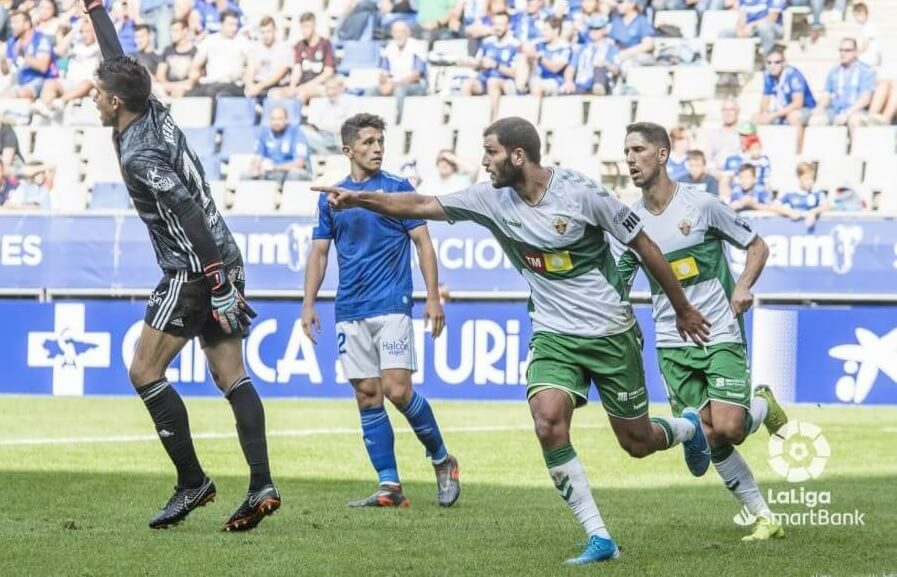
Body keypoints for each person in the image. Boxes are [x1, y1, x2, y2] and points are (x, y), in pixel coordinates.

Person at [314, 116, 713, 566]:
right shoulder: (491, 198)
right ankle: (599, 537)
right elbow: (421, 203)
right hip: (552, 333)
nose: (484, 162)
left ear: (517, 156)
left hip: (609, 333)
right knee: (546, 421)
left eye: (491, 152)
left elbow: (643, 244)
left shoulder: (580, 193)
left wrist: (682, 307)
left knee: (637, 442)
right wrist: (358, 199)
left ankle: (687, 428)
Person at [82, 0, 279, 531]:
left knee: (144, 370)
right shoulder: (149, 106)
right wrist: (97, 10)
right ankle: (261, 482)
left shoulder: (139, 153)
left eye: (99, 94)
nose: (93, 98)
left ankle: (192, 481)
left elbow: (187, 211)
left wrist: (213, 282)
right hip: (224, 253)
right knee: (231, 374)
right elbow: (118, 60)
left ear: (117, 101)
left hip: (194, 268)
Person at [615, 121, 788, 543]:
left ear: (661, 154)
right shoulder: (628, 221)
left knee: (729, 426)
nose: (631, 160)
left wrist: (744, 286)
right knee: (710, 436)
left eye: (638, 150)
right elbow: (618, 284)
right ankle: (765, 516)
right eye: (626, 154)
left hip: (719, 332)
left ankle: (761, 404)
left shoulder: (702, 205)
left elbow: (758, 245)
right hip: (672, 344)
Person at [302, 113, 461, 510]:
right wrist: (307, 304)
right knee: (367, 394)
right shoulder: (332, 197)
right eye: (369, 142)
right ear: (348, 149)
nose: (376, 148)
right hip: (349, 308)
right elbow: (319, 253)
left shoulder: (397, 189)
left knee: (397, 390)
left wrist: (433, 297)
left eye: (380, 142)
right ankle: (390, 486)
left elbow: (423, 243)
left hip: (391, 303)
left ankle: (442, 460)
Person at [810, 38, 876, 138]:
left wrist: (847, 113)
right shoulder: (834, 72)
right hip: (835, 110)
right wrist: (820, 108)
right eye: (841, 50)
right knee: (816, 120)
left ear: (856, 52)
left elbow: (865, 99)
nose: (843, 53)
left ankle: (856, 151)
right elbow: (826, 95)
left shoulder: (865, 71)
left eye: (847, 50)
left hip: (855, 110)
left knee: (855, 120)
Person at [462, 11, 521, 120]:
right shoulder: (487, 42)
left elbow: (515, 73)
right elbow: (477, 64)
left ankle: (492, 121)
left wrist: (496, 65)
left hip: (505, 82)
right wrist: (480, 63)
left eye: (501, 24)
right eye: (495, 24)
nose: (497, 28)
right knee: (467, 84)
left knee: (493, 82)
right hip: (484, 79)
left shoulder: (514, 45)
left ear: (508, 26)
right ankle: (467, 119)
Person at [755, 45, 815, 151]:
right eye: (769, 62)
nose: (772, 66)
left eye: (777, 62)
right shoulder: (768, 75)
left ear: (784, 62)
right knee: (756, 117)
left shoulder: (793, 75)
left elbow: (798, 103)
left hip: (805, 108)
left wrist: (773, 115)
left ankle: (798, 152)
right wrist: (764, 114)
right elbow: (765, 98)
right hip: (783, 109)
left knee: (793, 117)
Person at [371, 20, 427, 118]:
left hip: (415, 85)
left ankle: (398, 121)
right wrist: (384, 83)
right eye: (396, 32)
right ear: (392, 33)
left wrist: (394, 85)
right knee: (371, 91)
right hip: (393, 84)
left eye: (402, 31)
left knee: (399, 90)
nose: (399, 35)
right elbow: (383, 72)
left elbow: (416, 75)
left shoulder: (417, 46)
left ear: (408, 32)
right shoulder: (389, 48)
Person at [187, 10, 249, 98]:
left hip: (231, 84)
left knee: (217, 94)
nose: (234, 28)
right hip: (210, 82)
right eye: (231, 24)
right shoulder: (210, 40)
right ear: (221, 24)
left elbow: (252, 64)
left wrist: (244, 72)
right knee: (190, 96)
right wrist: (193, 76)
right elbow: (196, 64)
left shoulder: (242, 42)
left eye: (236, 25)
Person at [0, 10, 57, 99]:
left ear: (27, 24)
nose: (12, 26)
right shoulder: (12, 41)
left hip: (41, 80)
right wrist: (2, 58)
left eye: (16, 22)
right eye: (11, 23)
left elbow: (43, 66)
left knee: (15, 95)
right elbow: (6, 71)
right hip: (20, 81)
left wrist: (23, 55)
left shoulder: (40, 39)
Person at [281, 12, 335, 104]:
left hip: (321, 86)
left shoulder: (325, 44)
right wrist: (292, 87)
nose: (304, 30)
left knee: (302, 94)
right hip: (301, 86)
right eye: (302, 27)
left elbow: (328, 73)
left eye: (307, 26)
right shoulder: (300, 45)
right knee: (275, 94)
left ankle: (297, 118)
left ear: (314, 25)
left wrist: (305, 87)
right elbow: (297, 70)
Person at [248, 106, 311, 183]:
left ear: (286, 119)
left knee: (295, 175)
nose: (276, 122)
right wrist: (256, 168)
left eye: (279, 119)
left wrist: (274, 167)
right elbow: (257, 158)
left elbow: (299, 164)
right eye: (273, 119)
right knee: (246, 176)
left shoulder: (297, 133)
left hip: (290, 172)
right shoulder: (264, 134)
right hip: (272, 172)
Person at [564, 14, 619, 96]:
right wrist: (569, 81)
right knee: (565, 91)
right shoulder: (582, 48)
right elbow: (571, 68)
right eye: (591, 28)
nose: (593, 31)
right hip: (582, 83)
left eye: (597, 29)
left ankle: (598, 88)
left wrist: (606, 64)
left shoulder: (611, 48)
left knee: (600, 67)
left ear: (604, 30)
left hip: (602, 81)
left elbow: (616, 70)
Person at [523, 15, 572, 98]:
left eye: (546, 30)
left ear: (556, 31)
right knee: (523, 57)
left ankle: (534, 111)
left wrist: (539, 58)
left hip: (555, 81)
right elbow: (525, 46)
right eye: (543, 30)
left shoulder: (564, 47)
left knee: (537, 85)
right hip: (538, 79)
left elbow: (555, 68)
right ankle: (521, 87)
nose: (543, 33)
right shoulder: (539, 43)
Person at [243, 16, 291, 99]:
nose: (266, 35)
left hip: (277, 85)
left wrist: (259, 87)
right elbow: (250, 70)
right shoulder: (255, 48)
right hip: (258, 83)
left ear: (275, 31)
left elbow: (280, 74)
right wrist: (250, 85)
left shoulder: (284, 48)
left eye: (268, 31)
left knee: (274, 94)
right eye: (263, 32)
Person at [777, 161, 829, 227]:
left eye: (812, 178)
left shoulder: (816, 192)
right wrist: (789, 212)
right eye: (806, 178)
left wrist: (813, 212)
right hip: (793, 231)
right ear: (799, 177)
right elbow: (774, 206)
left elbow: (825, 205)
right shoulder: (790, 192)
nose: (810, 181)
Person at [155, 18, 197, 97]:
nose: (171, 34)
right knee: (155, 88)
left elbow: (193, 80)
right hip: (167, 88)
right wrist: (171, 87)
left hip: (186, 89)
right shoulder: (167, 50)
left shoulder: (195, 51)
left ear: (185, 31)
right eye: (171, 31)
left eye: (175, 31)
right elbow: (160, 76)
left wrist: (177, 88)